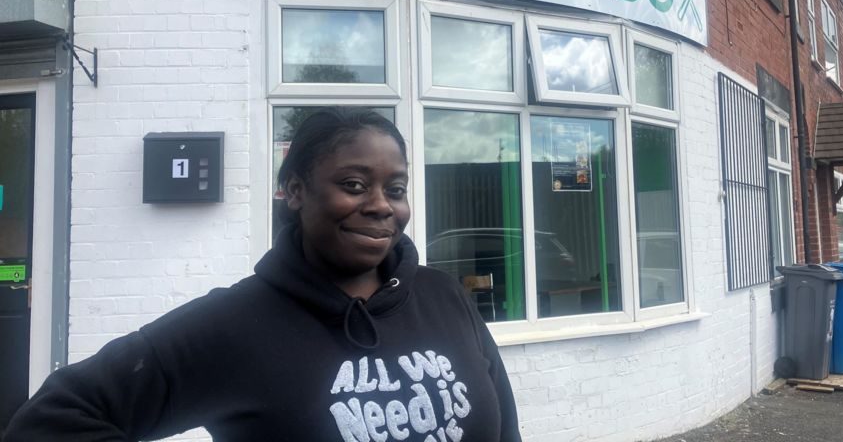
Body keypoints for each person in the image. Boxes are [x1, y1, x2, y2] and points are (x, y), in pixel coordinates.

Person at [3, 107, 521, 441]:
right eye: (355, 184)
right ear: (295, 191)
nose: (381, 206)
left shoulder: (444, 295)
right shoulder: (234, 324)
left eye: (396, 188)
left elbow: (506, 430)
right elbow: (51, 420)